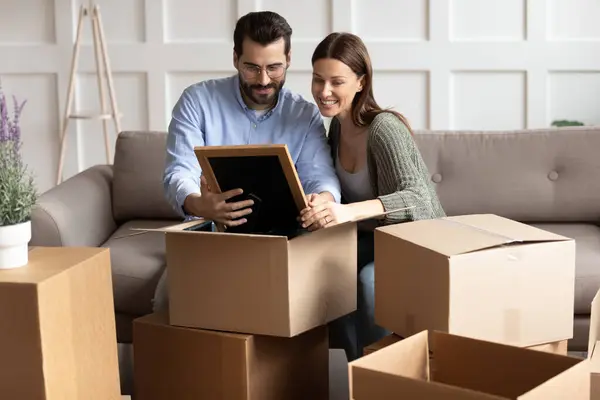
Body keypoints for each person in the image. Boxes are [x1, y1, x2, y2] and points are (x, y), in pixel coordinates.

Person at [154, 11, 341, 312]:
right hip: (211, 234)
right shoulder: (197, 101)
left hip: (282, 237)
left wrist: (325, 199)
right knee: (168, 299)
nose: (264, 80)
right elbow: (179, 171)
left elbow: (320, 176)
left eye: (274, 68)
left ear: (289, 59)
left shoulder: (304, 114)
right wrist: (199, 204)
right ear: (235, 59)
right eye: (252, 68)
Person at [299, 32, 446, 361]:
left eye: (337, 81)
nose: (324, 92)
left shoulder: (384, 128)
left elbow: (418, 200)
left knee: (368, 282)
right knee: (320, 268)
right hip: (375, 239)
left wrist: (347, 212)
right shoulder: (336, 128)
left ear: (361, 82)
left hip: (419, 239)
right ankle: (356, 373)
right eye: (317, 79)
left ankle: (381, 378)